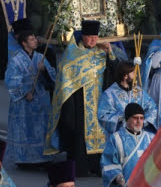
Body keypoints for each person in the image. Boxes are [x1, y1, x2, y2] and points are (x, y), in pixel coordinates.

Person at [45, 20, 118, 177]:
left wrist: (110, 53)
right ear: (82, 37)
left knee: (101, 133)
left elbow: (116, 72)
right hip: (78, 103)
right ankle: (81, 167)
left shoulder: (101, 53)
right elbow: (64, 77)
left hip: (99, 101)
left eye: (95, 37)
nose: (92, 40)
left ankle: (98, 166)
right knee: (78, 135)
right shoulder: (72, 54)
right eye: (89, 37)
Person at [5, 21, 56, 166]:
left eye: (35, 38)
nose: (35, 41)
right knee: (25, 128)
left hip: (40, 98)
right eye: (32, 39)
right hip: (24, 100)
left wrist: (44, 70)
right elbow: (11, 81)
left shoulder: (41, 57)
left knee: (41, 128)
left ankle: (43, 157)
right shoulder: (16, 60)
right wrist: (24, 93)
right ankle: (24, 159)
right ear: (24, 43)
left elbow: (53, 76)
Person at [98, 62, 157, 136]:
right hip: (120, 136)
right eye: (133, 73)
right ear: (125, 76)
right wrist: (123, 117)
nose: (136, 76)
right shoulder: (109, 94)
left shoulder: (139, 92)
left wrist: (144, 121)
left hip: (139, 134)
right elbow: (102, 115)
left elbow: (152, 108)